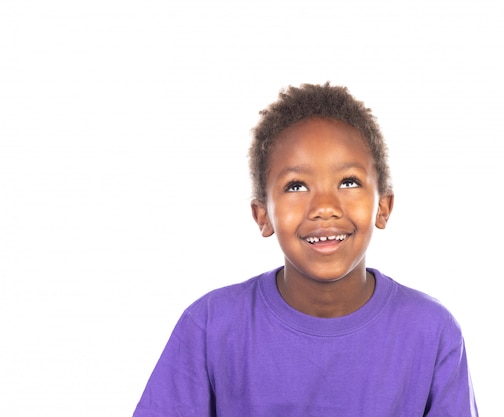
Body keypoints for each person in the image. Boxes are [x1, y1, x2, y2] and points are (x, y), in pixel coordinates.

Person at [132, 82, 479, 416]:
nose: (324, 207)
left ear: (383, 207)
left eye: (349, 182)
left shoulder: (432, 332)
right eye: (296, 185)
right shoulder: (210, 327)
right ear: (262, 215)